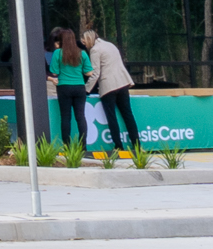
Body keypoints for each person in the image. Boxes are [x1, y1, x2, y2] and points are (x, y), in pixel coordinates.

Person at [81, 24, 142, 154]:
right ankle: (137, 145)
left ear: (88, 39)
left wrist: (86, 89)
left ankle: (118, 145)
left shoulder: (95, 50)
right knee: (128, 115)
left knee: (111, 117)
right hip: (122, 82)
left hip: (108, 86)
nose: (84, 44)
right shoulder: (110, 45)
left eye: (84, 41)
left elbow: (95, 73)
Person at [46, 27, 92, 151]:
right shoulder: (82, 53)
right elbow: (89, 73)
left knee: (65, 118)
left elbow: (54, 72)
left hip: (64, 88)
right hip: (79, 87)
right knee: (80, 117)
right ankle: (83, 147)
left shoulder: (57, 53)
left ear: (62, 41)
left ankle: (67, 146)